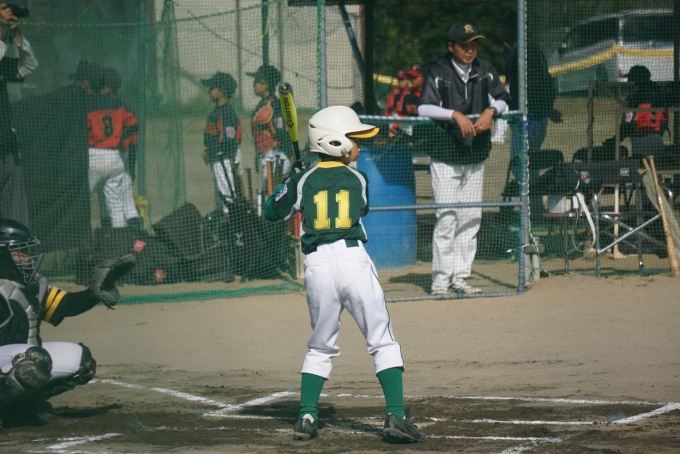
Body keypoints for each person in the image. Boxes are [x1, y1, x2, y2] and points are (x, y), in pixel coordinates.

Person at [263, 106, 426, 443]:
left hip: (317, 267)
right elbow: (359, 206)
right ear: (335, 142)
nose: (359, 147)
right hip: (353, 261)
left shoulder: (301, 181)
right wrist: (306, 178)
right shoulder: (359, 179)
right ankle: (396, 415)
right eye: (354, 139)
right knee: (381, 339)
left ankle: (307, 416)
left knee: (320, 345)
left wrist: (291, 181)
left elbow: (271, 212)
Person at [0, 218, 135, 428]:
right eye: (20, 252)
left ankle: (20, 408)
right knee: (33, 360)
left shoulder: (28, 285)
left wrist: (93, 294)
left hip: (14, 360)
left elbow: (65, 305)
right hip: (9, 361)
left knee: (81, 362)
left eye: (27, 251)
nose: (27, 257)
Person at [418, 22, 510, 295]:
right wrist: (455, 115)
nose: (470, 50)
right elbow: (424, 107)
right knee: (447, 218)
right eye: (464, 45)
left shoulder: (485, 69)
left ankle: (460, 277)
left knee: (471, 217)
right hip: (446, 154)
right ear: (451, 47)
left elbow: (504, 98)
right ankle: (440, 281)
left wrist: (491, 111)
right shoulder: (439, 70)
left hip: (475, 153)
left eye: (474, 44)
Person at [500, 10, 562, 218]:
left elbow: (533, 85)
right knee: (526, 162)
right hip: (532, 114)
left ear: (514, 30)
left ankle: (532, 210)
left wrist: (538, 109)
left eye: (505, 28)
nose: (501, 32)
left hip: (529, 117)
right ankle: (532, 209)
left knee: (524, 163)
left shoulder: (522, 52)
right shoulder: (523, 50)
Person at [86, 68, 142, 229]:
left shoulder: (89, 105)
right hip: (118, 159)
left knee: (98, 201)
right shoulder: (123, 107)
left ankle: (86, 238)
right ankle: (121, 238)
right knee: (116, 204)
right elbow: (134, 132)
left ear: (106, 87)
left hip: (98, 155)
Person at [0, 3, 37, 226]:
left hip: (6, 147)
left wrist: (15, 32)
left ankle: (12, 246)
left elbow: (28, 65)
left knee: (14, 213)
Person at [246, 64, 292, 195]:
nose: (253, 84)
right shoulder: (263, 104)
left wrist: (291, 156)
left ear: (265, 84)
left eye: (256, 81)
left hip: (277, 155)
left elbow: (282, 134)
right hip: (267, 155)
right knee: (266, 193)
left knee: (272, 194)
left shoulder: (275, 105)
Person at [201, 72, 243, 215]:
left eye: (213, 87)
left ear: (223, 91)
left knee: (227, 194)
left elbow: (229, 142)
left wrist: (212, 153)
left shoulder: (227, 113)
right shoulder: (217, 112)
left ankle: (232, 224)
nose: (210, 91)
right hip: (217, 159)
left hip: (223, 159)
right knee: (220, 195)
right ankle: (224, 222)